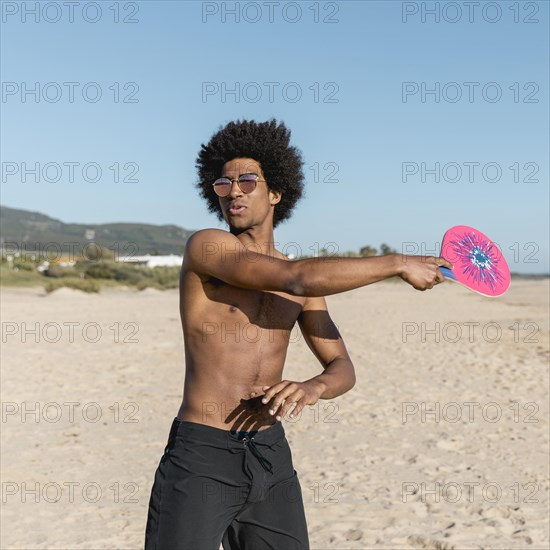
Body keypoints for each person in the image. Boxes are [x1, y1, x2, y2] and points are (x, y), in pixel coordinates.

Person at [144, 119, 452, 550]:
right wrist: (397, 262)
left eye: (248, 180)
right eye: (223, 183)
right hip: (202, 456)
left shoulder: (301, 282)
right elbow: (297, 278)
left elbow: (342, 367)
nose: (234, 191)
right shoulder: (208, 247)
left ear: (275, 193)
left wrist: (315, 387)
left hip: (270, 454)